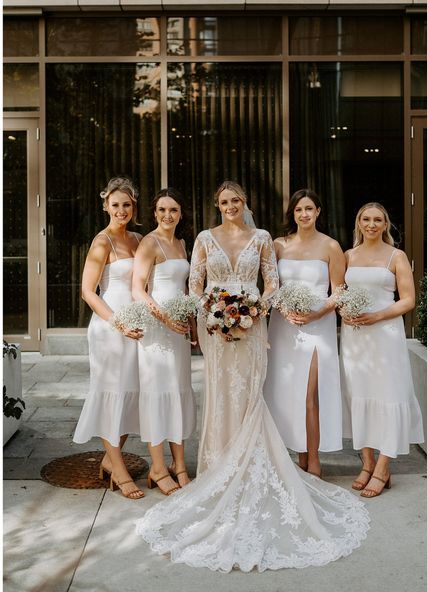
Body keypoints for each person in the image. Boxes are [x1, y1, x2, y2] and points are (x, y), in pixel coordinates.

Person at [136, 181, 369, 572]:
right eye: (224, 201)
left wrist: (255, 308)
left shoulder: (262, 237)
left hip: (251, 323)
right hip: (214, 325)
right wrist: (209, 310)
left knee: (248, 393)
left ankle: (253, 462)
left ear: (245, 204)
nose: (230, 206)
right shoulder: (204, 238)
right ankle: (218, 466)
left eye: (236, 201)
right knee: (219, 392)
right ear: (217, 204)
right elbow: (195, 283)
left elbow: (272, 280)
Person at [340, 202, 424, 498]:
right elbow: (339, 293)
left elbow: (408, 300)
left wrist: (378, 315)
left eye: (378, 220)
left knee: (389, 394)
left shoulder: (396, 256)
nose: (372, 224)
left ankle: (384, 466)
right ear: (358, 222)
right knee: (358, 393)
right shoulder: (348, 255)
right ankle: (367, 462)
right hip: (355, 337)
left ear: (385, 224)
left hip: (386, 335)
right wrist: (343, 312)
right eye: (366, 219)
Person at [264, 189, 345, 478]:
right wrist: (283, 310)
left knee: (310, 394)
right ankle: (296, 453)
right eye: (299, 210)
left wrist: (316, 313)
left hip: (317, 326)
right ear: (292, 214)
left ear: (318, 211)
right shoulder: (278, 245)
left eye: (309, 208)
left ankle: (313, 458)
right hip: (283, 327)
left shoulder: (331, 247)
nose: (304, 214)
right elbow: (270, 287)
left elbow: (338, 292)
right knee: (287, 392)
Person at [73, 177, 144, 500]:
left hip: (136, 326)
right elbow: (88, 291)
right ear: (105, 206)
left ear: (134, 206)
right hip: (109, 326)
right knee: (112, 395)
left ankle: (108, 459)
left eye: (126, 205)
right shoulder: (102, 242)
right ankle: (119, 469)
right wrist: (118, 323)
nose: (121, 210)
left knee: (132, 394)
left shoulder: (139, 240)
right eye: (115, 205)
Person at [132, 188, 196, 496]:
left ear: (181, 214)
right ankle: (158, 467)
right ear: (154, 213)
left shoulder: (182, 243)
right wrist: (164, 319)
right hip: (157, 330)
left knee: (178, 392)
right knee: (158, 393)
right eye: (162, 210)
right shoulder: (149, 242)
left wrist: (191, 324)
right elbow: (138, 290)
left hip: (179, 330)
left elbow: (184, 290)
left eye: (173, 210)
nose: (167, 215)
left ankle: (179, 463)